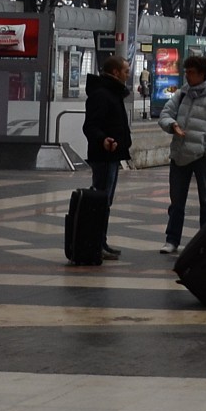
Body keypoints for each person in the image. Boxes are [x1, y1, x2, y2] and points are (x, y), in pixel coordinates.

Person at [159, 53, 206, 250]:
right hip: (180, 155)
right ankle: (172, 239)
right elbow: (165, 114)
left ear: (202, 74)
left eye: (191, 73)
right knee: (176, 202)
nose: (187, 76)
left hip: (203, 157)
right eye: (186, 72)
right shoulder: (182, 94)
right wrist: (172, 125)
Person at [80, 53, 131, 259]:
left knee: (105, 201)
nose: (128, 75)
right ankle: (96, 243)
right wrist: (104, 140)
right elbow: (90, 125)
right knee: (101, 201)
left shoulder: (112, 92)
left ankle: (101, 241)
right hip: (103, 156)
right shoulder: (102, 94)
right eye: (126, 71)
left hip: (111, 156)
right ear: (115, 72)